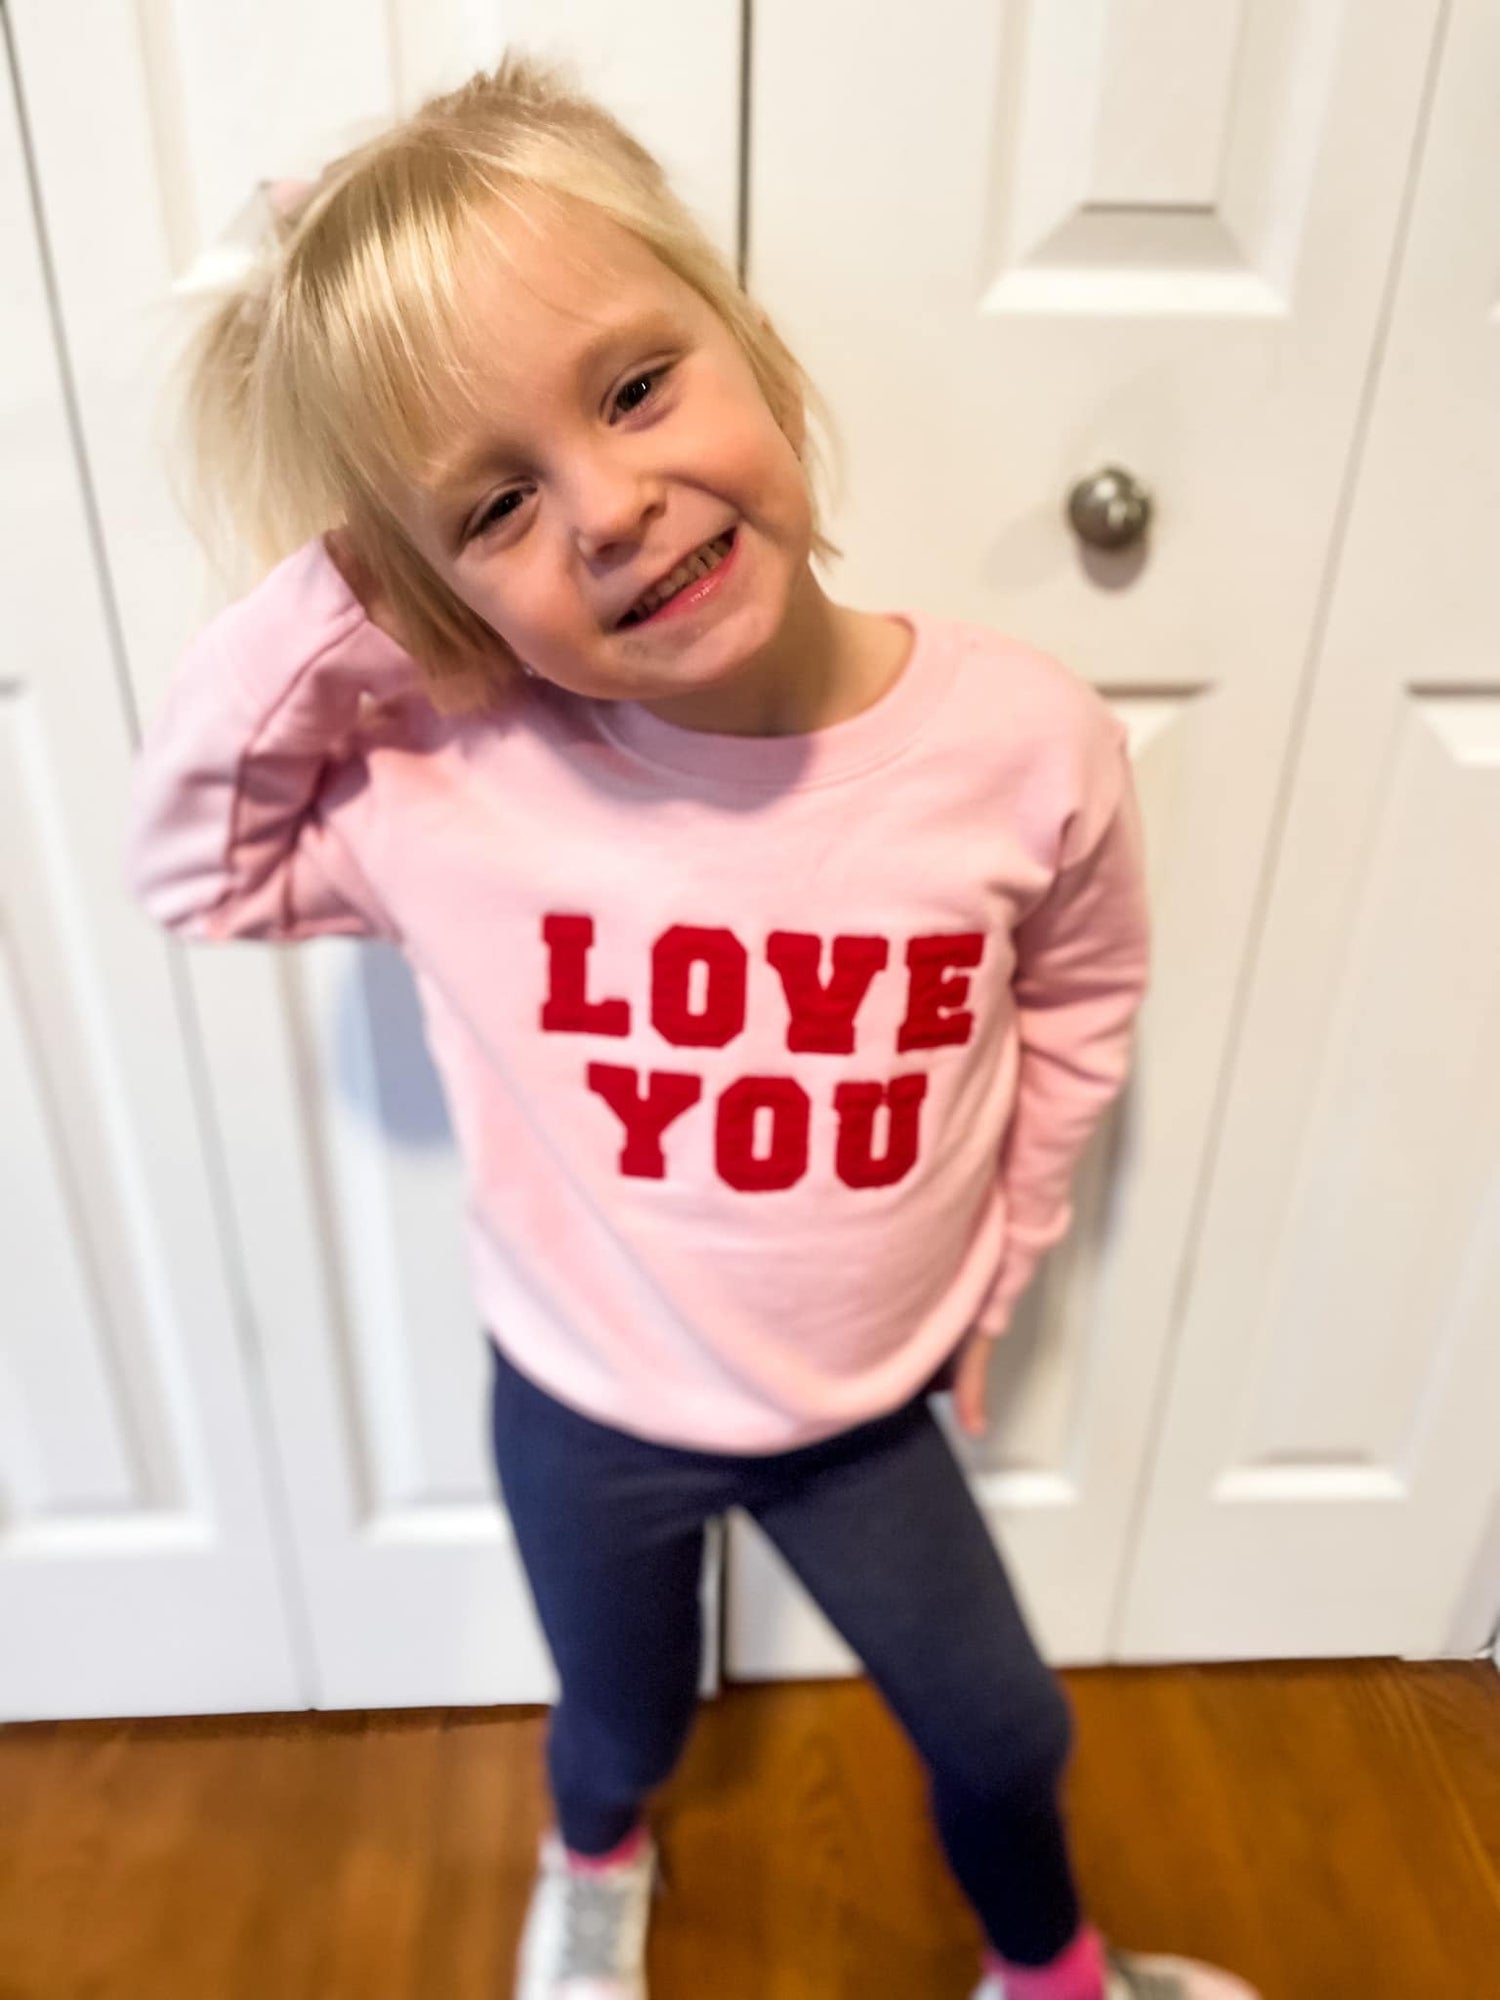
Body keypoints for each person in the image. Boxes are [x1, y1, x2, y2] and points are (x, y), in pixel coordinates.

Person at [123, 53, 1259, 2000]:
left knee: (1006, 1728)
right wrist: (352, 581)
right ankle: (594, 1861)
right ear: (425, 590)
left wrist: (1008, 1253)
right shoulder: (456, 791)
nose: (610, 507)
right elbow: (196, 874)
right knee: (619, 1720)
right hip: (588, 1406)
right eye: (496, 504)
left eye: (637, 387)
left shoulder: (1025, 744)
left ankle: (1050, 1972)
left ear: (752, 342)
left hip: (862, 1413)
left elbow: (1082, 999)